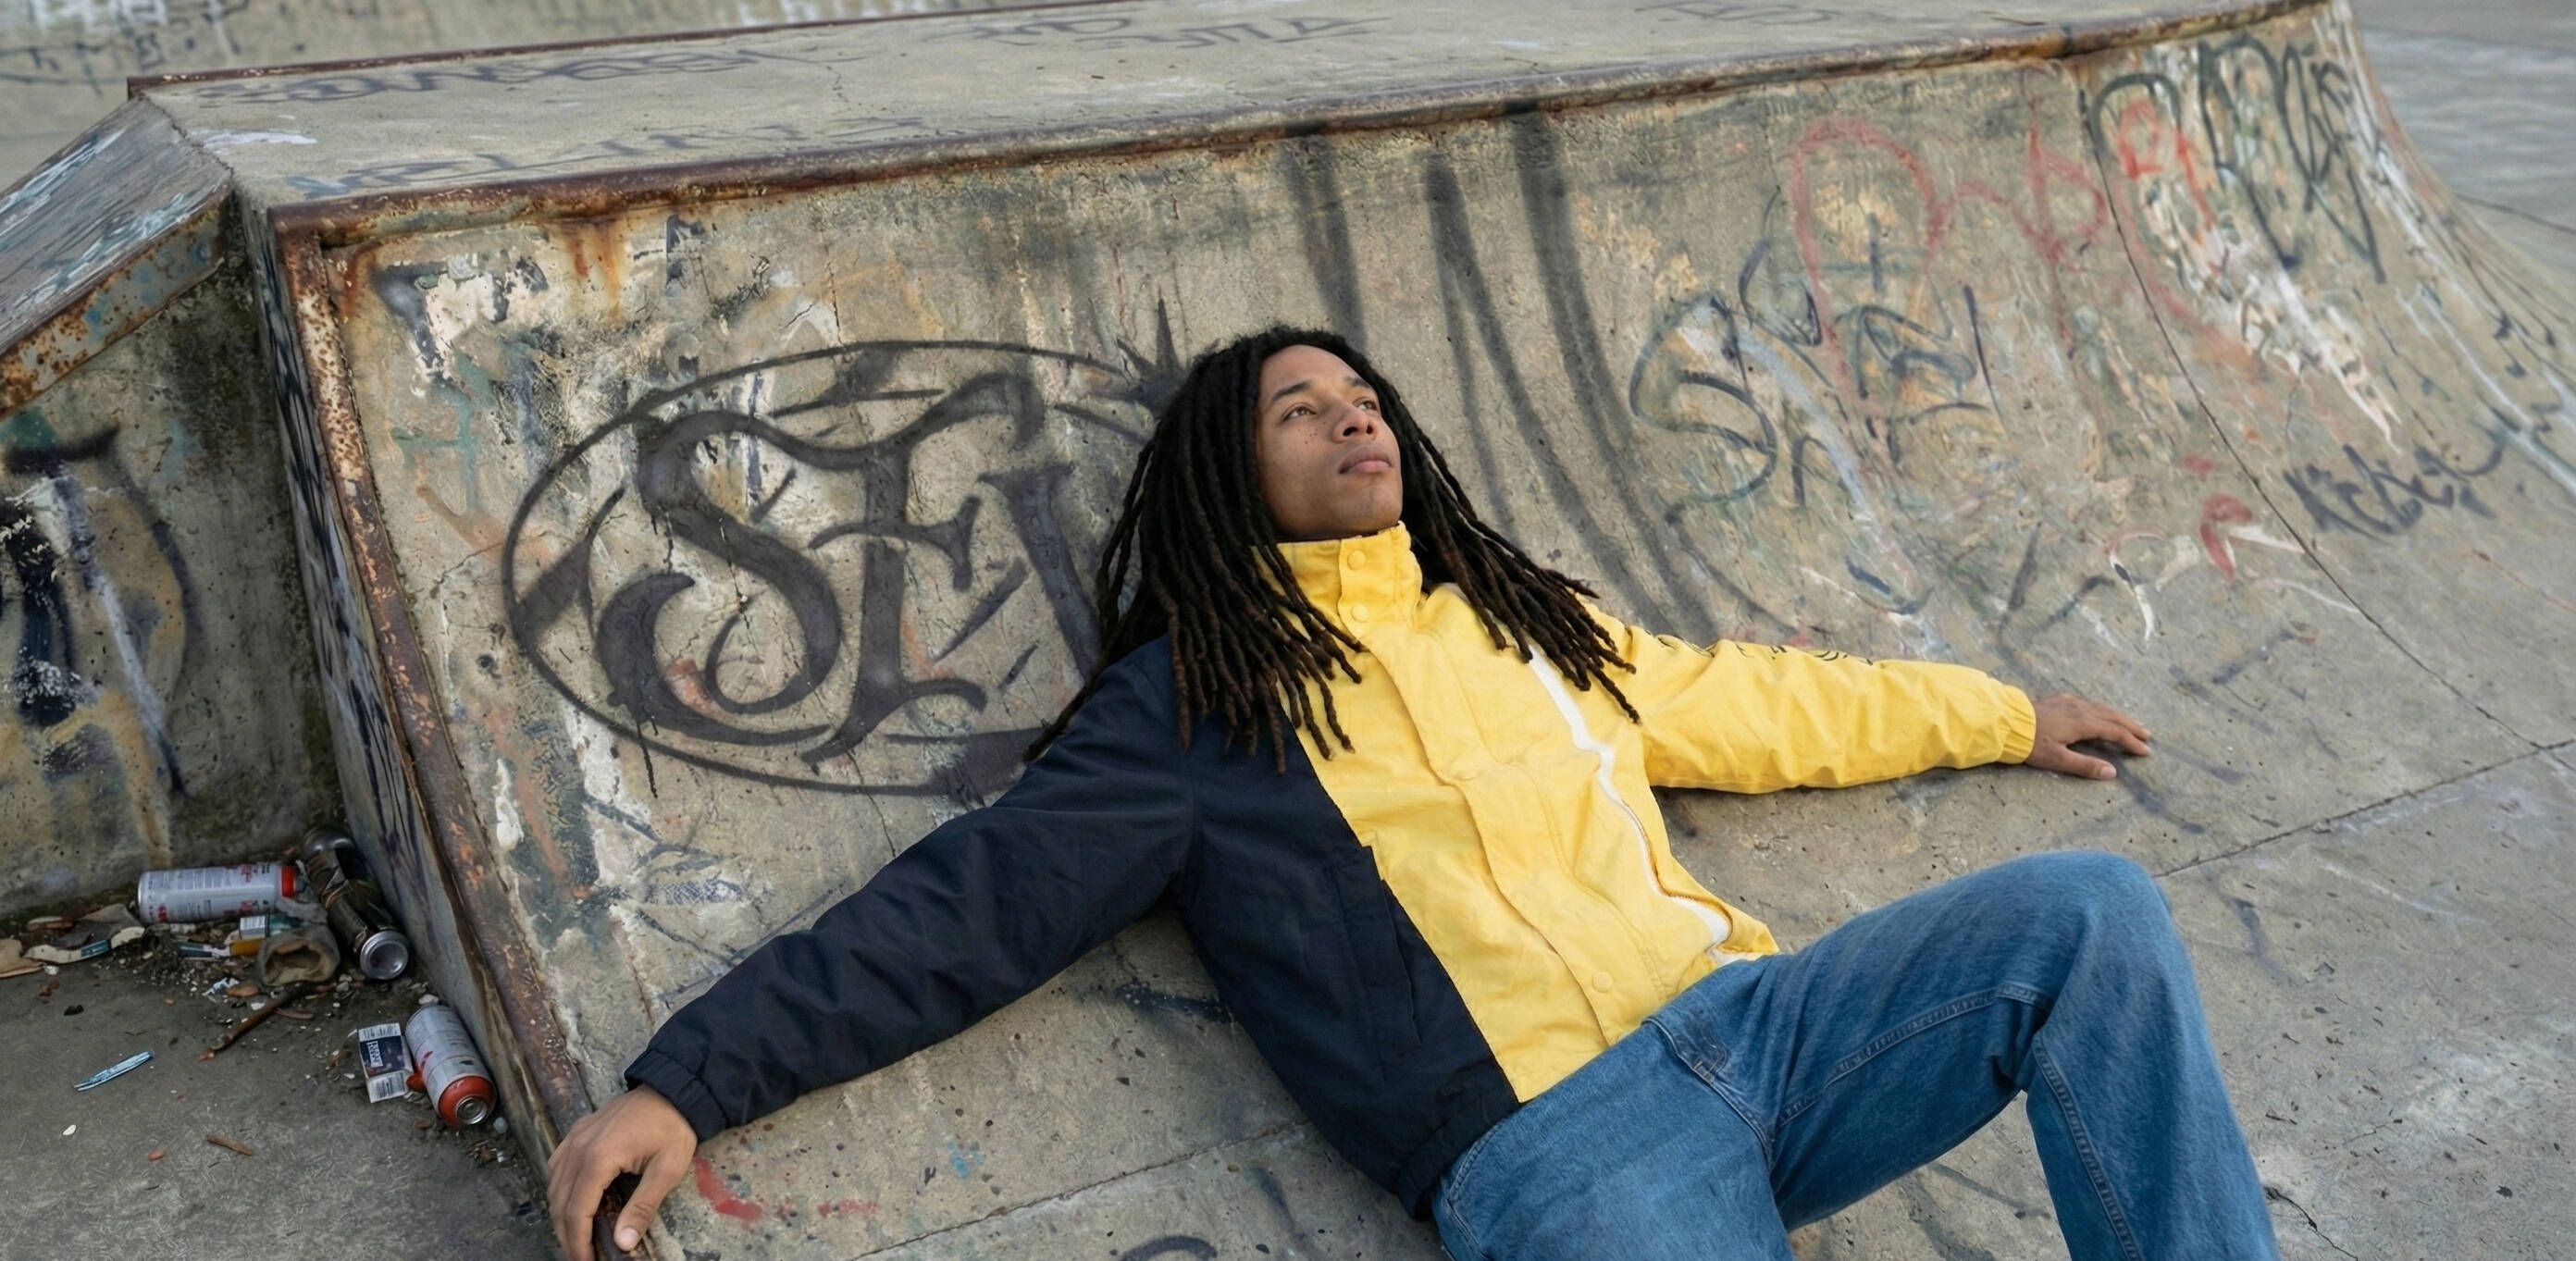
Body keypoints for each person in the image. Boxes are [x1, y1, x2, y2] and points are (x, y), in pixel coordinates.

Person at [549, 328, 2280, 1260]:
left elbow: (1756, 702)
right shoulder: (1195, 710)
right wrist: (688, 1082)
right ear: (1237, 480)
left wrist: (1999, 713)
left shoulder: (1523, 622)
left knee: (2093, 915)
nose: (1353, 422)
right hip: (1563, 1155)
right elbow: (964, 909)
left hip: (1765, 1029)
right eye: (1301, 413)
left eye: (1366, 400)